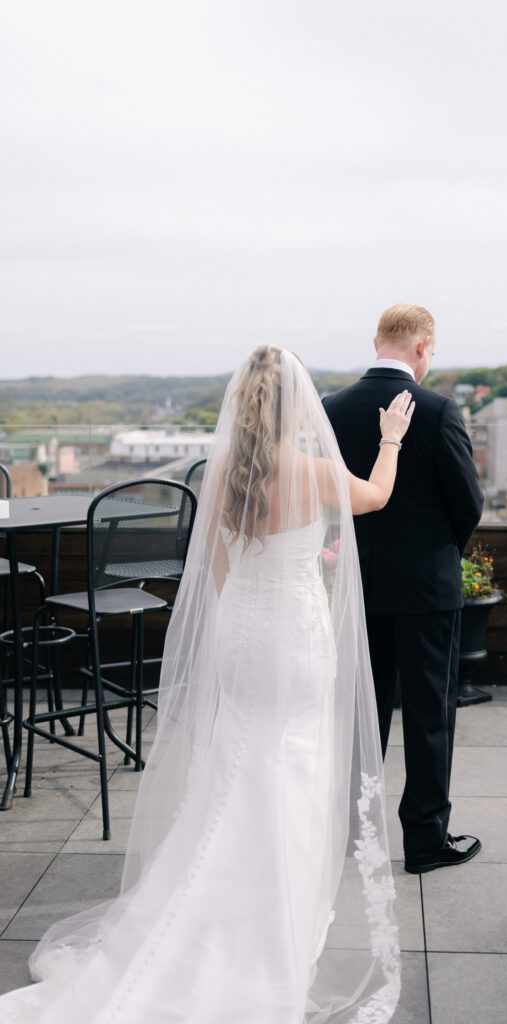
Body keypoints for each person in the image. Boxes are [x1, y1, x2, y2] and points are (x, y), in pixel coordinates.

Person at [0, 346, 415, 1024]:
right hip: (295, 634)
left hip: (242, 629)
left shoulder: (225, 468)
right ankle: (276, 903)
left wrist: (235, 627)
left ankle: (218, 888)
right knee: (295, 761)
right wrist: (390, 440)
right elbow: (372, 496)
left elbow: (219, 568)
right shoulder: (309, 470)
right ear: (293, 407)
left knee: (239, 760)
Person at [322, 305, 484, 875]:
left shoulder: (331, 409)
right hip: (426, 592)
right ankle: (423, 843)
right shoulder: (439, 410)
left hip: (358, 587)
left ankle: (349, 834)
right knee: (429, 716)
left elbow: (328, 505)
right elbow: (468, 504)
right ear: (424, 347)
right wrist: (438, 557)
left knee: (360, 716)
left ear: (376, 342)